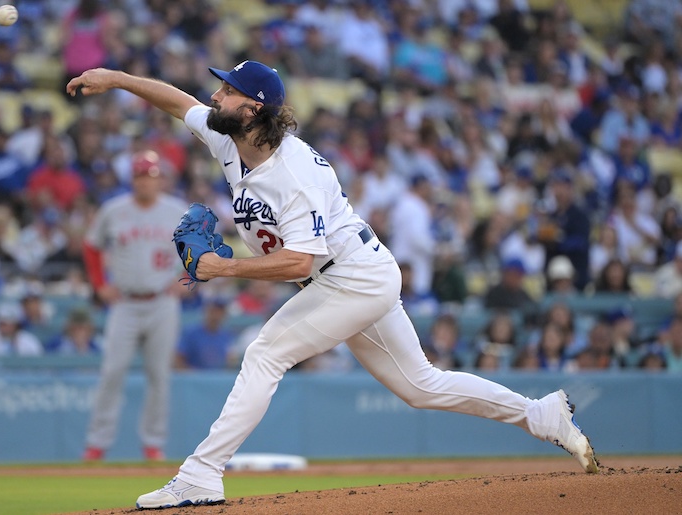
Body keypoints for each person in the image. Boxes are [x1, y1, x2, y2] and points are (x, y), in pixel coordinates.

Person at [67, 59, 599, 510]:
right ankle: (539, 413)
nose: (215, 95)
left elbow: (300, 262)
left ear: (252, 109)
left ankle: (201, 475)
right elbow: (177, 101)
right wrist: (116, 78)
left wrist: (223, 269)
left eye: (226, 90)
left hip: (350, 277)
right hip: (352, 275)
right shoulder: (232, 136)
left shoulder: (290, 172)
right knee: (420, 386)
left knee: (265, 354)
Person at [80, 150, 187, 463]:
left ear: (159, 180)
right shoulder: (114, 210)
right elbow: (90, 246)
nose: (145, 182)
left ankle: (153, 444)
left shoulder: (176, 211)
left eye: (150, 176)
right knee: (112, 371)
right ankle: (97, 444)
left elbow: (200, 247)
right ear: (133, 179)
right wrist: (100, 284)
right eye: (140, 176)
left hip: (162, 302)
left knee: (159, 375)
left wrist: (186, 279)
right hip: (125, 302)